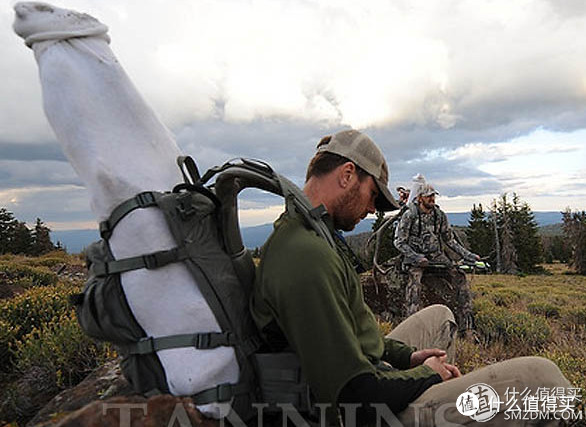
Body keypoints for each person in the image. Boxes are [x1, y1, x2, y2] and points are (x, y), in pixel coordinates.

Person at [251, 129, 573, 426]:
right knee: (545, 380)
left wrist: (407, 357)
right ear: (348, 174)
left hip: (368, 377)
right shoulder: (306, 255)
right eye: (374, 195)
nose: (373, 210)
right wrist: (425, 375)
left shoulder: (311, 235)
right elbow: (355, 394)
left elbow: (352, 336)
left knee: (441, 318)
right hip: (360, 411)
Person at [394, 183, 479, 327]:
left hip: (436, 257)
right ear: (420, 198)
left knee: (459, 276)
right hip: (415, 259)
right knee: (414, 284)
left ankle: (467, 324)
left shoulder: (439, 216)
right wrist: (416, 257)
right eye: (429, 196)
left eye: (433, 195)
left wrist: (469, 255)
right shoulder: (410, 215)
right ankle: (410, 325)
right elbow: (399, 242)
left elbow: (450, 240)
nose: (432, 198)